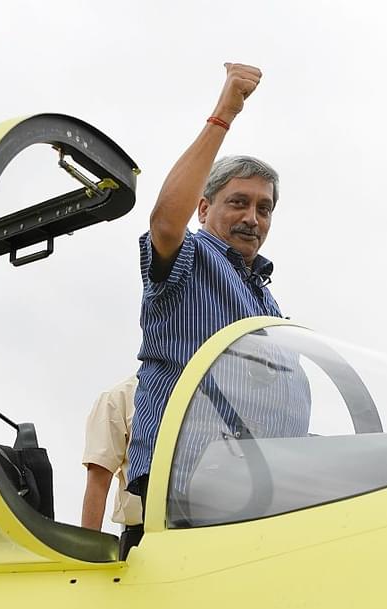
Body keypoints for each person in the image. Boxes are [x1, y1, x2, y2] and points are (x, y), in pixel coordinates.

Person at [127, 62, 306, 512]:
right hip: (189, 484)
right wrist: (223, 115)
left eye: (264, 208)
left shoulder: (266, 299)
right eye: (238, 202)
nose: (252, 218)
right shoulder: (191, 257)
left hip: (261, 493)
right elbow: (165, 221)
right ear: (203, 208)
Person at [81, 376, 143, 560]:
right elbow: (98, 484)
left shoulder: (206, 391)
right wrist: (88, 557)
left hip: (210, 531)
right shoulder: (118, 398)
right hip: (141, 540)